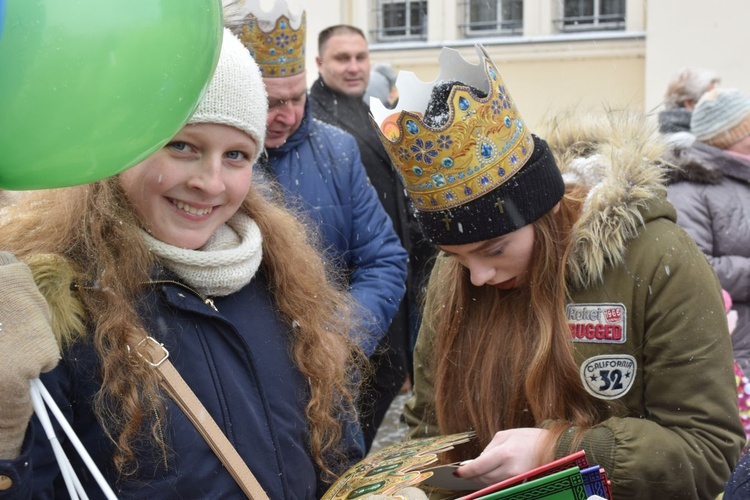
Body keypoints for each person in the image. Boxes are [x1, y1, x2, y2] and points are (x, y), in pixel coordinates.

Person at [0, 28, 365, 498]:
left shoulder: (284, 282)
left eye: (235, 155)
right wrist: (6, 434)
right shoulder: (58, 306)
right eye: (183, 146)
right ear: (123, 148)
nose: (211, 183)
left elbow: (336, 457)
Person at [368, 45, 745, 498]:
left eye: (495, 249)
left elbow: (707, 451)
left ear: (541, 212)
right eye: (456, 256)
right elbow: (431, 432)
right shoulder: (457, 279)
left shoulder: (655, 259)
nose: (478, 277)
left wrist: (559, 449)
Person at [229, 1, 407, 359]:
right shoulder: (215, 161)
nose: (290, 115)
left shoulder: (338, 149)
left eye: (298, 98)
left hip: (327, 373)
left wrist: (343, 336)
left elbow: (383, 259)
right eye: (272, 102)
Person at [310, 24, 436, 451]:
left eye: (360, 57)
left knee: (382, 381)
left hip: (393, 272)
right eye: (341, 59)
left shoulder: (369, 110)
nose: (353, 67)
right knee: (347, 407)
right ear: (319, 64)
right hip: (351, 285)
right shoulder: (315, 121)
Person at [666, 87, 750, 373]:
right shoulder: (689, 188)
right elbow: (696, 268)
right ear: (732, 136)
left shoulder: (742, 176)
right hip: (734, 347)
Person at [658, 67, 720, 134]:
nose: (716, 103)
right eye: (710, 98)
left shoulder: (673, 135)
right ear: (690, 103)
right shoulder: (690, 141)